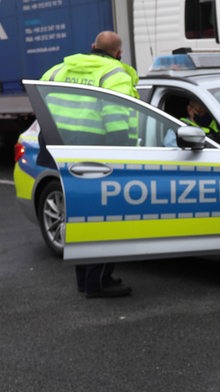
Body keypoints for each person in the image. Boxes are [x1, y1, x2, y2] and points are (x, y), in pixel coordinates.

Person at [41, 30, 138, 299]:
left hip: (63, 155)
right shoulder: (115, 74)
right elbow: (117, 120)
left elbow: (42, 104)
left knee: (80, 218)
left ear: (92, 46)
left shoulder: (58, 69)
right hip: (99, 159)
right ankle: (99, 282)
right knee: (104, 222)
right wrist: (121, 160)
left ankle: (86, 279)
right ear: (119, 53)